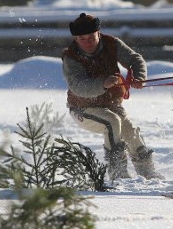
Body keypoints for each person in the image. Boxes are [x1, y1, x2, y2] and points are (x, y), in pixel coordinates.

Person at [61, 12, 160, 180]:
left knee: (130, 132)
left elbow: (135, 59)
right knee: (112, 123)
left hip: (112, 105)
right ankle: (118, 174)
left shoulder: (112, 44)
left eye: (91, 37)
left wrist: (139, 77)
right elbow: (78, 87)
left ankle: (148, 174)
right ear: (76, 39)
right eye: (82, 39)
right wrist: (103, 84)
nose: (88, 42)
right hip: (83, 109)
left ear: (98, 33)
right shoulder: (71, 58)